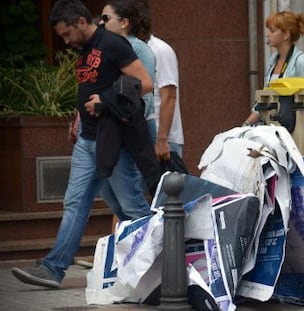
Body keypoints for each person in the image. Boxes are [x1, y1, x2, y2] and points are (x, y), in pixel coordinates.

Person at [11, 0, 154, 289]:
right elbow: (92, 85)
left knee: (132, 208)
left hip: (113, 142)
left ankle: (164, 259)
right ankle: (54, 268)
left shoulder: (113, 44)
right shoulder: (85, 49)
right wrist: (79, 115)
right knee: (75, 203)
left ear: (80, 21)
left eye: (66, 34)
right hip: (87, 141)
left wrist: (106, 100)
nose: (65, 41)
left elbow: (145, 83)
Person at [98, 0, 157, 222]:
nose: (101, 23)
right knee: (110, 194)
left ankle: (149, 243)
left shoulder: (139, 48)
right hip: (108, 127)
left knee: (130, 196)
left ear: (124, 22)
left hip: (129, 128)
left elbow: (145, 91)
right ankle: (136, 240)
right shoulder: (104, 46)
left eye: (106, 18)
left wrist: (109, 105)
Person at [242, 11, 304, 127]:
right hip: (272, 130)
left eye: (272, 31)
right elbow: (263, 101)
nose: (267, 34)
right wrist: (246, 124)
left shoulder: (302, 62)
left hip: (294, 133)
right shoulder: (272, 61)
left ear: (286, 35)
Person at [135, 0, 184, 160]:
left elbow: (168, 96)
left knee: (164, 184)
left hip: (161, 137)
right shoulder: (130, 50)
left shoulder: (160, 50)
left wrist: (162, 140)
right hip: (139, 135)